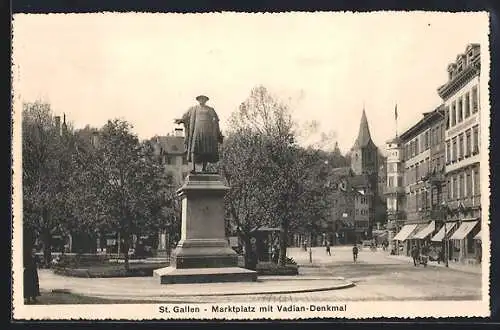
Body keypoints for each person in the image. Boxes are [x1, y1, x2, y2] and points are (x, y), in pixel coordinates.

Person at [175, 95, 224, 173]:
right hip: (196, 131)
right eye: (201, 99)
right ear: (198, 100)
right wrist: (181, 120)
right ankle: (193, 168)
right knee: (194, 148)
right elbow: (186, 117)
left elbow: (216, 120)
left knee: (206, 150)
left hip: (207, 132)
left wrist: (217, 132)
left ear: (206, 100)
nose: (202, 100)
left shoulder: (210, 109)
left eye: (204, 99)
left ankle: (204, 168)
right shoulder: (193, 109)